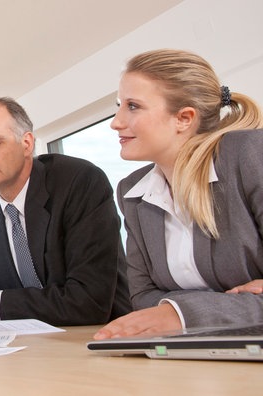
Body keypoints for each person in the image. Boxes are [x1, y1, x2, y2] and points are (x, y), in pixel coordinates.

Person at [94, 49, 263, 340]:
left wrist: (182, 313)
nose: (116, 121)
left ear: (184, 118)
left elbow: (164, 309)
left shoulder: (248, 154)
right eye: (120, 105)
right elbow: (143, 296)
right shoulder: (132, 192)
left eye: (133, 106)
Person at [0, 97, 131, 325]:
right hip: (24, 345)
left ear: (27, 144)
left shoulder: (79, 182)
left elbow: (88, 301)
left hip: (100, 338)